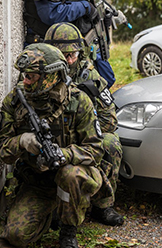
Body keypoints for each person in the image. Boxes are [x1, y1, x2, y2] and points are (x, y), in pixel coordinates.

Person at [0, 43, 106, 248]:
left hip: (75, 175)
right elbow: (2, 150)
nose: (25, 81)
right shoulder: (14, 102)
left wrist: (64, 155)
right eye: (24, 75)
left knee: (69, 175)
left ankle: (68, 230)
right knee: (16, 236)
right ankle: (52, 210)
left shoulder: (78, 101)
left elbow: (96, 149)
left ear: (51, 76)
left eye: (31, 76)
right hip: (38, 181)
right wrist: (22, 142)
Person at [44, 22, 123, 226]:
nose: (70, 60)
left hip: (83, 137)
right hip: (53, 137)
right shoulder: (38, 74)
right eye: (64, 55)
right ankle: (52, 204)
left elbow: (110, 119)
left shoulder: (90, 76)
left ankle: (103, 205)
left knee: (111, 143)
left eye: (74, 55)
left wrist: (86, 129)